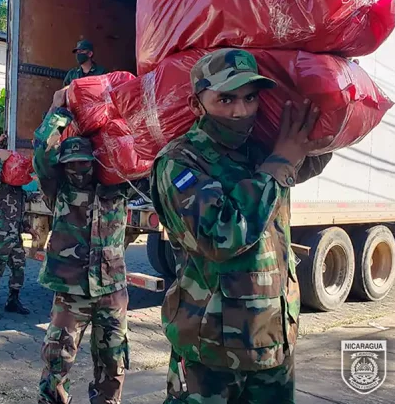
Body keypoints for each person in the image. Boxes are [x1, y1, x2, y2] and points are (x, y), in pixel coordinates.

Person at [150, 49, 334, 403]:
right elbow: (222, 236)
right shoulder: (180, 163)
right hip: (212, 353)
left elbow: (314, 152)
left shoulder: (259, 150)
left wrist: (327, 90)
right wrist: (278, 163)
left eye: (250, 98)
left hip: (272, 344)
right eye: (226, 98)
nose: (241, 111)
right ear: (195, 105)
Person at [33, 105, 134, 404]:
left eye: (83, 164)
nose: (77, 170)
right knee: (56, 362)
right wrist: (58, 113)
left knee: (113, 363)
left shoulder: (117, 188)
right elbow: (41, 152)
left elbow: (142, 157)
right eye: (71, 164)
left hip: (112, 291)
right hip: (71, 292)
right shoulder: (58, 189)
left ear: (94, 163)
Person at [0, 150, 37, 320]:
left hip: (15, 235)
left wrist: (28, 228)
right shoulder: (1, 187)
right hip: (1, 233)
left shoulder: (19, 191)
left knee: (19, 267)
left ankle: (13, 300)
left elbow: (20, 213)